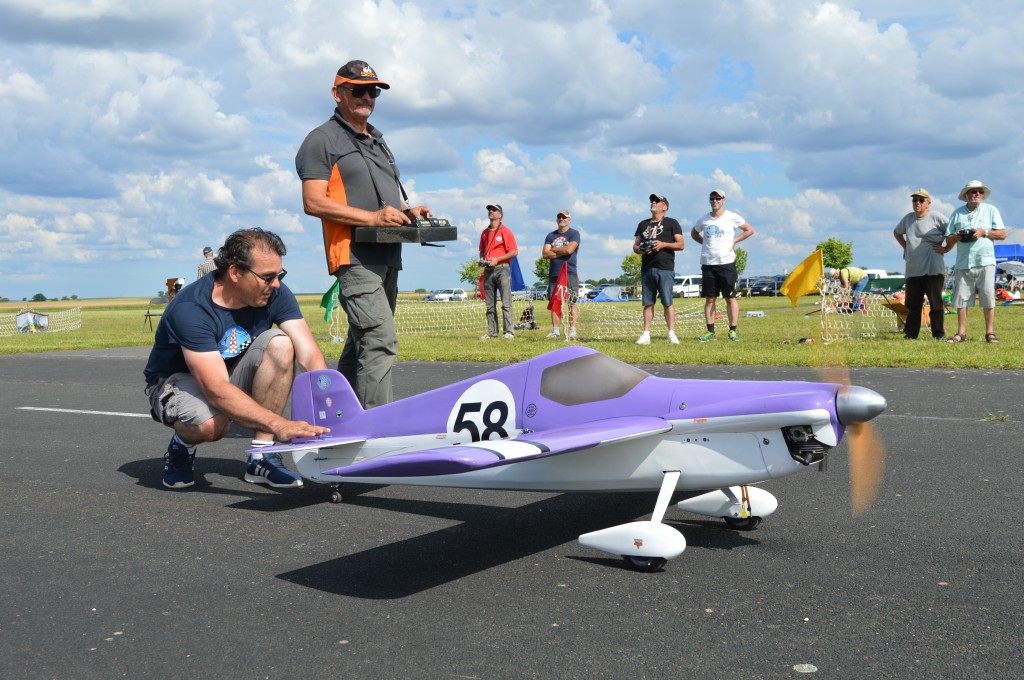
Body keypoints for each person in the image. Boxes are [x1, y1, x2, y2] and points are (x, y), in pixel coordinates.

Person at [143, 228, 330, 490]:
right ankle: (182, 446)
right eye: (267, 277)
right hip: (176, 381)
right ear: (235, 272)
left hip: (228, 373)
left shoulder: (274, 291)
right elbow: (217, 389)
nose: (276, 284)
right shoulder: (191, 308)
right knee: (211, 425)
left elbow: (308, 352)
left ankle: (261, 456)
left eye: (280, 275)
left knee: (281, 343)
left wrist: (326, 403)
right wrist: (279, 424)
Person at [295, 60, 431, 408]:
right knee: (380, 339)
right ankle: (375, 429)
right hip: (353, 257)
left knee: (362, 342)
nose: (366, 96)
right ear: (337, 94)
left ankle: (336, 413)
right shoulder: (321, 140)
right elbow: (313, 202)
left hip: (387, 255)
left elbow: (385, 204)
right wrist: (371, 218)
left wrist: (407, 212)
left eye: (372, 91)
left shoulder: (379, 142)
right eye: (357, 90)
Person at [942, 180, 1006, 343]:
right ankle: (961, 333)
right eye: (972, 191)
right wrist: (956, 237)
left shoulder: (991, 210)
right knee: (961, 299)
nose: (976, 194)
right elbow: (948, 238)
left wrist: (983, 231)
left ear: (983, 195)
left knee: (988, 296)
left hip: (985, 260)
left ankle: (990, 332)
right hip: (963, 261)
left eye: (980, 191)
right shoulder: (957, 213)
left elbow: (1002, 234)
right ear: (966, 195)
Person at [690, 189, 755, 341]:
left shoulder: (732, 217)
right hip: (708, 264)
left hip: (726, 263)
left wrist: (735, 241)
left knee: (730, 297)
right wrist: (704, 243)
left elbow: (749, 230)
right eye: (712, 198)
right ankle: (710, 331)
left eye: (718, 198)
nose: (715, 201)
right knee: (710, 299)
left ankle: (732, 330)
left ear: (724, 200)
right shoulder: (704, 219)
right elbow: (694, 233)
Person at [893, 189, 949, 340]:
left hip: (933, 268)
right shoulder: (908, 219)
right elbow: (897, 232)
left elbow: (952, 233)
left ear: (928, 203)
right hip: (913, 269)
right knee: (912, 305)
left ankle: (938, 334)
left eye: (921, 200)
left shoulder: (937, 217)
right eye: (914, 200)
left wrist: (946, 248)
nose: (917, 202)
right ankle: (911, 334)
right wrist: (905, 246)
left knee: (936, 304)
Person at [633, 194, 685, 345]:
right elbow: (635, 245)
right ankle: (646, 334)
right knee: (648, 303)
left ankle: (671, 334)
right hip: (647, 268)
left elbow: (681, 244)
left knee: (667, 302)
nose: (653, 203)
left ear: (664, 207)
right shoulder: (643, 224)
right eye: (652, 201)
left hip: (665, 268)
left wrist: (663, 244)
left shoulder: (671, 223)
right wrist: (641, 249)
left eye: (657, 201)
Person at [478, 204, 519, 339]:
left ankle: (508, 331)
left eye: (494, 210)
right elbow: (482, 251)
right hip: (488, 270)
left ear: (500, 215)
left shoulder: (505, 231)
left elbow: (514, 252)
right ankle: (492, 332)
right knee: (490, 304)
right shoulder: (485, 232)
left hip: (502, 269)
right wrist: (483, 259)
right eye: (489, 210)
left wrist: (498, 259)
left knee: (506, 302)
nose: (491, 211)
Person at [542, 209, 581, 339]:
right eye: (559, 217)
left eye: (564, 217)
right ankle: (555, 331)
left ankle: (573, 330)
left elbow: (570, 249)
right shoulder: (550, 235)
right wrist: (563, 251)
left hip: (570, 272)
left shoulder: (574, 234)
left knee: (572, 302)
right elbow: (545, 254)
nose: (561, 219)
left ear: (569, 219)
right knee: (555, 302)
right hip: (554, 273)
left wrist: (554, 249)